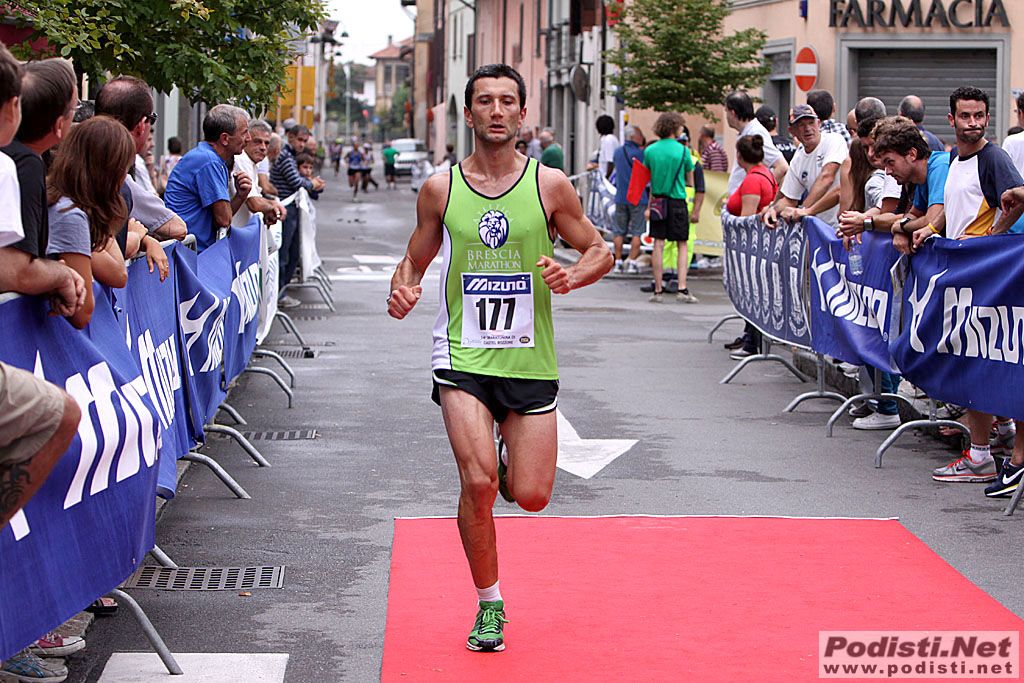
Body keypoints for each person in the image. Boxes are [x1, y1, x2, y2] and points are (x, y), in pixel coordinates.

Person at [387, 63, 612, 654]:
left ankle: (513, 457)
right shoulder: (441, 188)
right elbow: (414, 258)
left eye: (506, 101)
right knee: (479, 480)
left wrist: (573, 276)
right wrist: (403, 285)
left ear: (522, 112)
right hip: (461, 353)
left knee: (531, 495)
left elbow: (600, 248)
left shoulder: (550, 186)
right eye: (484, 101)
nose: (495, 110)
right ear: (468, 113)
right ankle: (490, 604)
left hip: (529, 358)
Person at [919, 87, 1024, 485]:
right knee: (973, 361)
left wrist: (989, 239)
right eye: (965, 116)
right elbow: (952, 211)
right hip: (962, 275)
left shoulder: (993, 157)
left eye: (980, 115)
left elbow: (1019, 198)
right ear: (951, 120)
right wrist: (930, 230)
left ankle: (981, 454)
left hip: (986, 276)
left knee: (980, 363)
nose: (974, 122)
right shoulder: (951, 159)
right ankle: (996, 440)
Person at [46, 116, 138, 328]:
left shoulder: (57, 199)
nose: (124, 179)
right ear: (107, 172)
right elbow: (84, 311)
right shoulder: (71, 215)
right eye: (122, 169)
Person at [94, 76, 187, 241]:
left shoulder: (75, 159)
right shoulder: (118, 178)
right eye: (152, 119)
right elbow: (177, 228)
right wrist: (138, 236)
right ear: (142, 125)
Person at [164, 104, 253, 252]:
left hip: (192, 251)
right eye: (244, 133)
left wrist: (241, 196)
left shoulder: (210, 159)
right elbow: (224, 219)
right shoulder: (209, 161)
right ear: (225, 138)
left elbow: (223, 219)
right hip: (188, 254)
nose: (248, 139)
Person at [724, 135, 777, 359]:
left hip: (754, 249)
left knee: (754, 292)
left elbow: (746, 219)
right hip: (762, 247)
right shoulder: (765, 173)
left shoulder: (753, 180)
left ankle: (752, 342)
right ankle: (751, 338)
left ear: (738, 156)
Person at [763, 104, 848, 229]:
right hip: (819, 229)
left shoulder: (834, 140)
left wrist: (803, 210)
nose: (808, 128)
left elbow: (827, 177)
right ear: (791, 131)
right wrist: (773, 209)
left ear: (818, 123)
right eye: (801, 125)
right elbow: (790, 198)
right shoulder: (798, 157)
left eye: (811, 122)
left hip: (842, 226)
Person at [269, 124, 325, 305]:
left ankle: (282, 291)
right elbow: (295, 181)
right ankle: (279, 293)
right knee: (284, 254)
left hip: (292, 209)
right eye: (299, 140)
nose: (302, 144)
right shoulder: (285, 157)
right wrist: (312, 184)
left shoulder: (291, 157)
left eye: (304, 141)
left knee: (293, 253)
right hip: (286, 210)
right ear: (290, 137)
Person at [644, 112, 697, 303]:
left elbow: (647, 179)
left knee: (658, 243)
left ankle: (658, 289)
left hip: (658, 201)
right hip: (677, 201)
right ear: (676, 128)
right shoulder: (683, 151)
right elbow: (690, 180)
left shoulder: (650, 151)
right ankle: (681, 288)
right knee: (681, 243)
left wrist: (649, 205)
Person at [725, 91, 788, 195]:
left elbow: (782, 167)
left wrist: (759, 192)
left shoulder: (755, 132)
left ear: (733, 113)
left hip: (748, 204)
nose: (726, 116)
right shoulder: (747, 131)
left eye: (726, 111)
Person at [231, 119, 287, 228]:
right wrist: (273, 205)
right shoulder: (242, 159)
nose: (263, 147)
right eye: (257, 141)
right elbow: (254, 203)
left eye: (266, 143)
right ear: (246, 140)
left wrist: (267, 210)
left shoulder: (252, 162)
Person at [611, 125, 647, 273]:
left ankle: (618, 261)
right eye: (639, 135)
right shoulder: (640, 154)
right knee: (637, 232)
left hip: (620, 197)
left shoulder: (618, 152)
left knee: (619, 231)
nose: (641, 137)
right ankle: (632, 262)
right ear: (632, 137)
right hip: (638, 197)